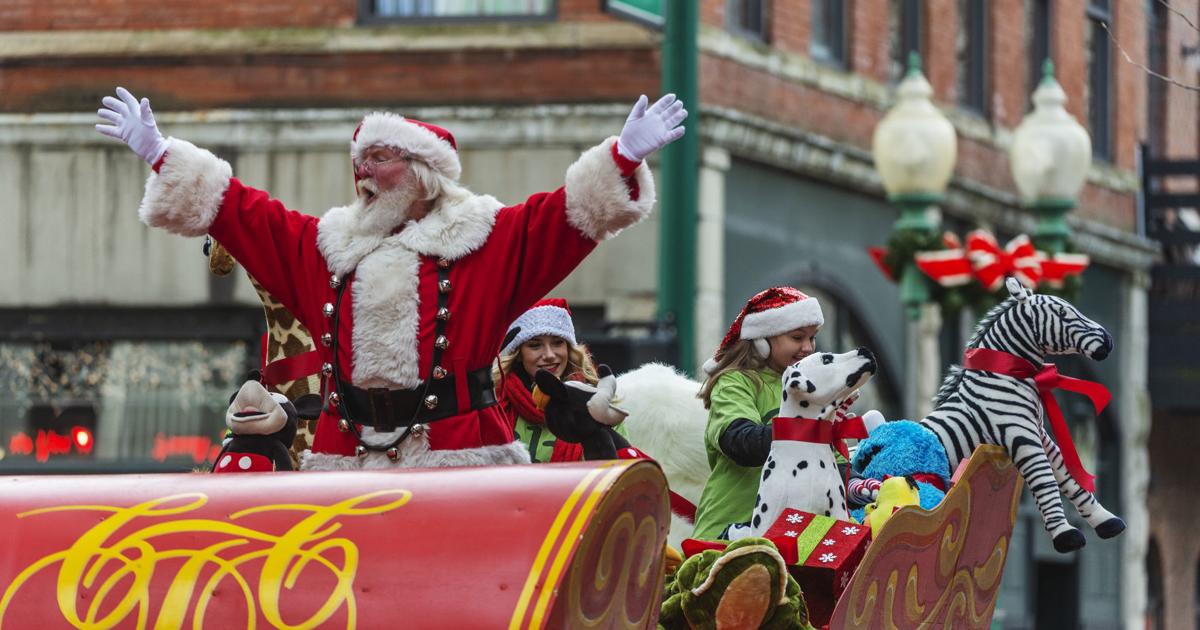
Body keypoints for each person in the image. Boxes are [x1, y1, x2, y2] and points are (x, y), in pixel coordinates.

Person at [95, 87, 686, 470]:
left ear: (423, 172)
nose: (362, 170)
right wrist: (162, 154)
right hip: (344, 457)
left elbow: (561, 218)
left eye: (380, 157)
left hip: (459, 457)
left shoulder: (484, 239)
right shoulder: (328, 248)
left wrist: (622, 158)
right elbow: (250, 216)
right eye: (360, 159)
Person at [690, 287, 824, 540]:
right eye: (797, 337)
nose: (808, 348)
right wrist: (807, 428)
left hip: (793, 538)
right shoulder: (735, 382)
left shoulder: (812, 389)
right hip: (726, 535)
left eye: (812, 338)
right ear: (763, 340)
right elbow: (741, 443)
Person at [493, 298, 628, 462]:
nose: (549, 355)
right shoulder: (495, 403)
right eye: (535, 345)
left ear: (569, 348)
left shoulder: (599, 404)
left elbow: (624, 476)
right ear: (518, 353)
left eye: (558, 343)